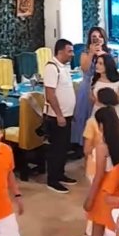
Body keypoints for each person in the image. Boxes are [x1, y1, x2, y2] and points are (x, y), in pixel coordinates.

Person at [83, 106, 119, 236]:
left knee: (97, 235)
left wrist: (90, 198)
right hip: (116, 190)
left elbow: (99, 175)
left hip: (103, 191)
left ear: (101, 125)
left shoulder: (102, 148)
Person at [43, 39, 77, 194]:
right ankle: (53, 179)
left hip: (67, 115)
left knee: (63, 147)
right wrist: (59, 115)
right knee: (56, 149)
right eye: (69, 51)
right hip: (57, 117)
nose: (72, 54)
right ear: (60, 51)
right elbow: (50, 94)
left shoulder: (64, 67)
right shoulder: (52, 67)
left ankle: (60, 173)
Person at [71, 26, 109, 146]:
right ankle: (83, 144)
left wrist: (103, 55)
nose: (97, 39)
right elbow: (84, 68)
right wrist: (92, 53)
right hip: (87, 86)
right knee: (84, 116)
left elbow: (112, 70)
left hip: (103, 86)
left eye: (100, 36)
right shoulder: (85, 53)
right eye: (94, 37)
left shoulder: (108, 53)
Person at [91, 54, 119, 120]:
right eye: (96, 63)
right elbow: (92, 98)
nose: (97, 65)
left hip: (114, 116)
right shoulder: (95, 81)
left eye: (100, 63)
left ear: (108, 65)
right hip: (97, 114)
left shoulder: (118, 82)